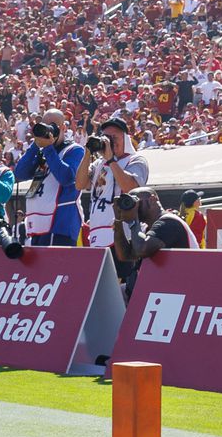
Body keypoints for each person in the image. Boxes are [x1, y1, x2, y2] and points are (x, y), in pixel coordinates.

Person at [76, 116, 148, 268]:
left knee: (121, 284)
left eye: (114, 137)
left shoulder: (136, 160)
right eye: (106, 137)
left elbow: (130, 187)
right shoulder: (98, 164)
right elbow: (80, 184)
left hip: (124, 235)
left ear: (126, 138)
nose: (110, 141)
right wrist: (87, 154)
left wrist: (111, 160)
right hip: (97, 233)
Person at [112, 187, 198, 301]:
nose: (134, 207)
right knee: (106, 295)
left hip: (178, 294)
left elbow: (141, 249)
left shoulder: (169, 223)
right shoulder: (149, 228)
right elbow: (125, 255)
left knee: (111, 299)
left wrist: (134, 221)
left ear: (152, 200)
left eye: (137, 202)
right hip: (156, 290)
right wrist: (118, 221)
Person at [14, 110, 84, 245]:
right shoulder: (43, 151)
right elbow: (20, 173)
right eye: (44, 126)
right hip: (38, 223)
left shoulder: (75, 150)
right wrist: (35, 145)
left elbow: (66, 178)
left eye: (52, 126)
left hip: (60, 223)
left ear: (63, 128)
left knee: (54, 265)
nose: (48, 131)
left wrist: (48, 149)